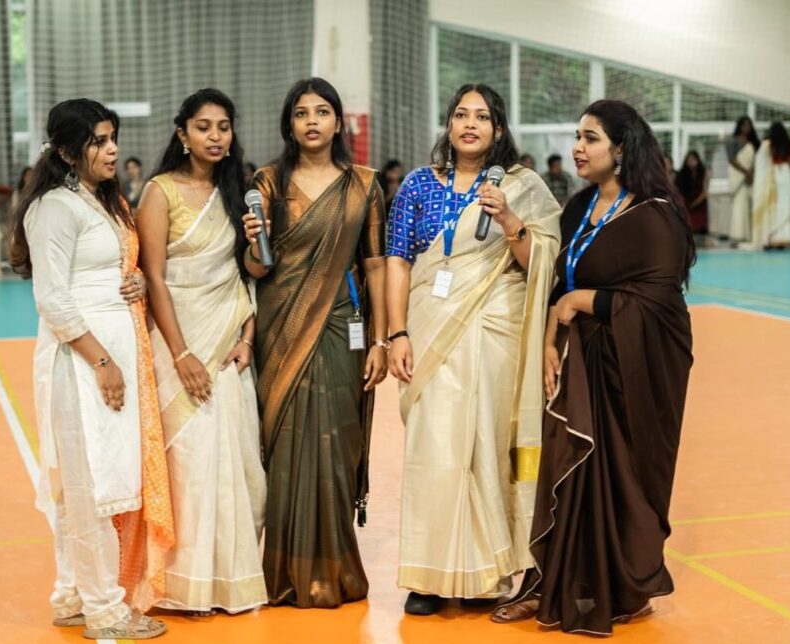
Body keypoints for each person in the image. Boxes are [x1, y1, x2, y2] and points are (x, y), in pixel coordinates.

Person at [491, 99, 695, 636]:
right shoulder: (580, 207)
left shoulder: (654, 215)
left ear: (621, 148)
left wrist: (582, 302)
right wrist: (550, 339)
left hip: (629, 371)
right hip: (576, 363)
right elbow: (557, 279)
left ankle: (622, 587)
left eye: (591, 138)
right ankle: (549, 585)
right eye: (577, 136)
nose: (578, 148)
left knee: (617, 476)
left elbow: (659, 303)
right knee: (565, 469)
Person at [387, 83, 561, 616]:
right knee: (435, 448)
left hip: (493, 334)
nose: (470, 124)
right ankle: (429, 576)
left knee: (485, 444)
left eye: (482, 117)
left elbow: (541, 265)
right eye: (461, 115)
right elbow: (398, 260)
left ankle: (486, 571)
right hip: (430, 328)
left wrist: (508, 220)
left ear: (498, 129)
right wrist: (397, 333)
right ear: (448, 124)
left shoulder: (521, 186)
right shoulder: (418, 184)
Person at [10, 98, 173, 639]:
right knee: (90, 485)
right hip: (80, 362)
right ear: (66, 151)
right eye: (98, 141)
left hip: (111, 354)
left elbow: (115, 266)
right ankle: (104, 609)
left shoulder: (101, 201)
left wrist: (137, 281)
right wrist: (101, 361)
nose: (112, 149)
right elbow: (53, 299)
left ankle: (74, 594)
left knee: (100, 480)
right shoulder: (55, 207)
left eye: (112, 138)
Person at [242, 77, 388, 608]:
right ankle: (284, 570)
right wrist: (253, 243)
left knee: (337, 436)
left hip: (342, 325)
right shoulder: (267, 182)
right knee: (285, 442)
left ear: (337, 121)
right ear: (289, 123)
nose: (311, 121)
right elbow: (256, 267)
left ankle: (336, 569)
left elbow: (375, 265)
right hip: (280, 327)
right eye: (301, 113)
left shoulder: (364, 185)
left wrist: (382, 339)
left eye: (321, 111)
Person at [137, 89, 267, 615]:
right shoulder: (160, 191)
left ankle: (231, 580)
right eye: (203, 127)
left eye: (223, 127)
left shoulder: (239, 193)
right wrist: (180, 354)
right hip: (180, 345)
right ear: (182, 133)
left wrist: (247, 337)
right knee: (189, 465)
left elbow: (250, 274)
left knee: (240, 464)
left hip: (229, 345)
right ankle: (185, 583)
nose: (215, 136)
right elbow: (154, 278)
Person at [750, 122, 790, 250]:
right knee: (784, 206)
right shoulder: (788, 143)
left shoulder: (767, 144)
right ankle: (783, 238)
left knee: (772, 208)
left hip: (773, 174)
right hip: (786, 173)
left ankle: (770, 238)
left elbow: (761, 163)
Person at [725, 116, 761, 244]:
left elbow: (758, 159)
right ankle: (738, 235)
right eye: (744, 125)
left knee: (751, 205)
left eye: (749, 125)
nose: (747, 128)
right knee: (739, 205)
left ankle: (752, 235)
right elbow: (731, 160)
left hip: (752, 177)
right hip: (739, 177)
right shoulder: (732, 141)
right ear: (739, 126)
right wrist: (746, 173)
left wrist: (752, 173)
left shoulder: (754, 142)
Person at [675, 151, 710, 243]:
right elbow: (678, 190)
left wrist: (696, 202)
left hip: (700, 202)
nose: (691, 162)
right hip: (687, 202)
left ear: (698, 160)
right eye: (689, 160)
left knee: (700, 227)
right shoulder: (682, 174)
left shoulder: (704, 172)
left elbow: (705, 191)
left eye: (693, 159)